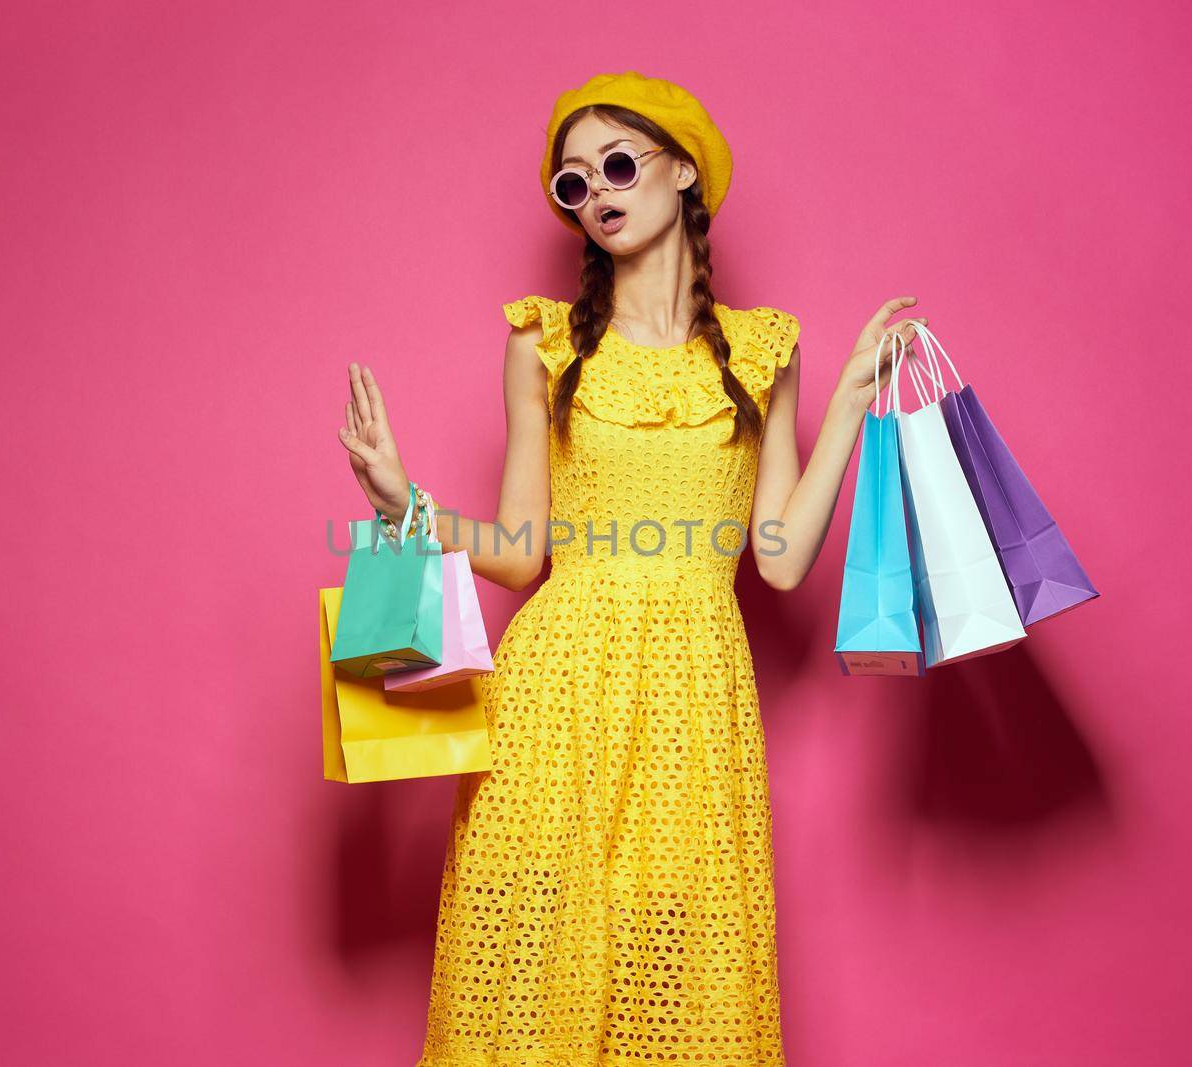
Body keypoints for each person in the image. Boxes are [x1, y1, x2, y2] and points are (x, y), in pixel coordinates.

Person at [335, 70, 928, 1066]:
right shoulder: (546, 345)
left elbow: (778, 561)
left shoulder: (761, 352)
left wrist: (856, 404)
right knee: (528, 977)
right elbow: (522, 553)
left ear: (684, 170)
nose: (596, 191)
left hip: (694, 697)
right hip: (556, 692)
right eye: (572, 183)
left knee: (682, 982)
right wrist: (405, 507)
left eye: (617, 163)